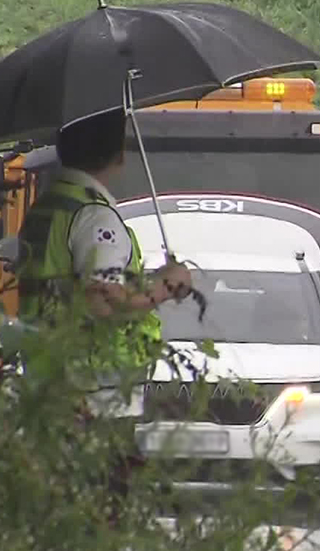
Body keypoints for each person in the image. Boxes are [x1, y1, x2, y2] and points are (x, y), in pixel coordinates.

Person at [15, 108, 192, 521]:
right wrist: (167, 286)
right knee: (103, 512)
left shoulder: (45, 210)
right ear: (119, 153)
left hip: (48, 379)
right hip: (98, 394)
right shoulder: (94, 216)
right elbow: (103, 298)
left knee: (55, 509)